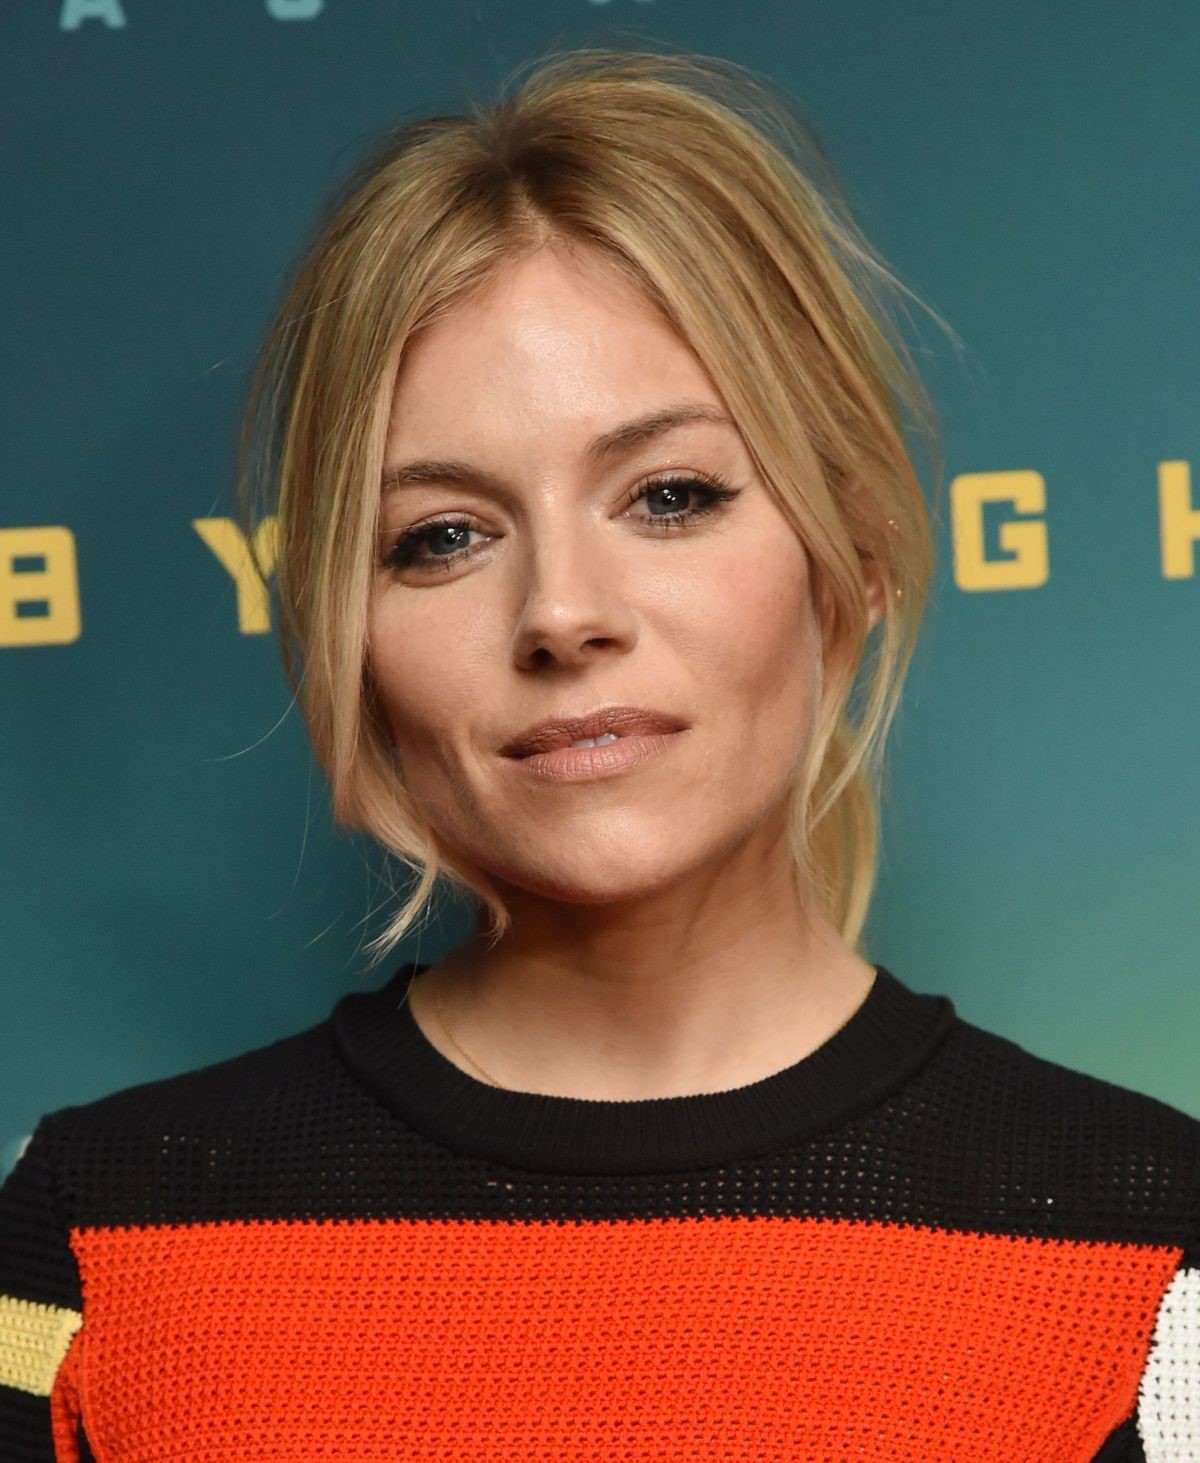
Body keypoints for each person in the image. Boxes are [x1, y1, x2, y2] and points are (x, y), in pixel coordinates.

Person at [1, 46, 1196, 1462]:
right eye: (443, 536)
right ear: (347, 634)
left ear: (854, 556)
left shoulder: (1155, 1257)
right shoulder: (93, 1242)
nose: (561, 613)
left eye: (670, 495)